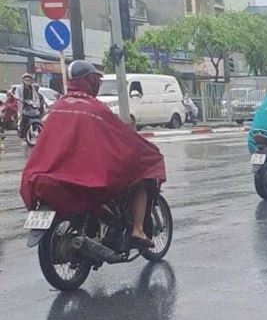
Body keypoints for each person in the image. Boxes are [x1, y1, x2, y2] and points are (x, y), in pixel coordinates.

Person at [20, 60, 166, 248]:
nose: (98, 84)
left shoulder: (57, 106)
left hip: (48, 174)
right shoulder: (94, 108)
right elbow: (121, 136)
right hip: (84, 175)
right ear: (88, 81)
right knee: (139, 175)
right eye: (96, 80)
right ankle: (137, 229)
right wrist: (145, 149)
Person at [15, 73, 44, 139]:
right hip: (23, 105)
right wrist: (20, 99)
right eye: (26, 80)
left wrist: (36, 104)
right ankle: (21, 131)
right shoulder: (19, 88)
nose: (28, 82)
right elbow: (17, 95)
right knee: (23, 118)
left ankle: (37, 129)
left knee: (37, 116)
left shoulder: (32, 88)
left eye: (29, 80)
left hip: (31, 106)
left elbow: (36, 97)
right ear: (23, 80)